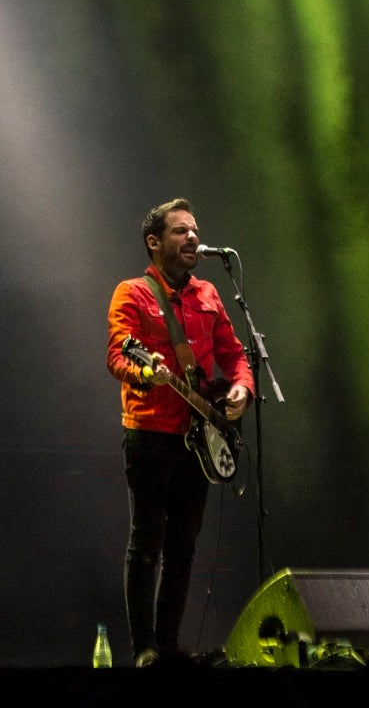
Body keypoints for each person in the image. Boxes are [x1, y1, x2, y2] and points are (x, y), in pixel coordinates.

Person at [107, 198, 253, 665]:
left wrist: (242, 391)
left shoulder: (209, 294)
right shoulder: (132, 293)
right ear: (154, 242)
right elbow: (117, 357)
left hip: (201, 434)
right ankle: (145, 649)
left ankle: (168, 648)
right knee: (146, 541)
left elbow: (235, 356)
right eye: (180, 231)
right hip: (150, 431)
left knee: (183, 548)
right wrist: (150, 375)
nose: (193, 237)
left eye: (195, 229)